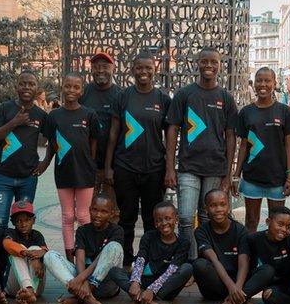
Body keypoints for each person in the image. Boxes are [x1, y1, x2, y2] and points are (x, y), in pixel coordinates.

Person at [165, 47, 238, 257]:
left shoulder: (226, 97)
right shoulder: (184, 94)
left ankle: (206, 262)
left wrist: (229, 172)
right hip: (188, 167)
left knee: (208, 218)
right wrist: (170, 167)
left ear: (220, 65)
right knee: (186, 218)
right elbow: (172, 130)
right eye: (204, 61)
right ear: (197, 64)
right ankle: (190, 262)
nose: (209, 66)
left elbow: (231, 135)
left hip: (215, 168)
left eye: (213, 62)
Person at [104, 53, 171, 264]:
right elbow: (113, 134)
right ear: (132, 70)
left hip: (154, 169)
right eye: (139, 68)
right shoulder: (123, 97)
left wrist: (169, 169)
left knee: (153, 220)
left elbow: (170, 137)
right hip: (125, 167)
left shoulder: (163, 99)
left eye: (148, 68)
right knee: (127, 218)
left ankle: (150, 260)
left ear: (155, 69)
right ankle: (125, 261)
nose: (144, 72)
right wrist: (108, 166)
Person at [193, 189, 274, 304]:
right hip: (215, 285)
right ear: (206, 209)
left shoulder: (240, 230)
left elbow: (244, 263)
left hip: (238, 281)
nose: (219, 209)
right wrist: (232, 288)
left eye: (222, 204)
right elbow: (214, 261)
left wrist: (237, 288)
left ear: (229, 207)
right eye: (213, 205)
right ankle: (243, 302)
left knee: (268, 270)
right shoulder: (201, 231)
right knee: (199, 265)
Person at [41, 72, 99, 255]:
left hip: (85, 173)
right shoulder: (54, 116)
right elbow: (52, 143)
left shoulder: (89, 114)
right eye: (67, 86)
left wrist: (90, 163)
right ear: (62, 88)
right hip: (63, 172)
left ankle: (87, 254)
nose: (71, 90)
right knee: (67, 216)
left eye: (76, 87)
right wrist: (45, 162)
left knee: (83, 216)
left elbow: (94, 142)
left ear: (82, 91)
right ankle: (69, 258)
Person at [232, 67, 290, 231]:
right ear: (254, 84)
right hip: (252, 178)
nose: (263, 84)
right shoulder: (246, 112)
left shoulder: (284, 111)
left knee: (277, 224)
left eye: (267, 80)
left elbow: (289, 146)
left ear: (275, 83)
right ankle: (250, 256)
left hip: (277, 179)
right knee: (251, 221)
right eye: (259, 80)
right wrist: (236, 175)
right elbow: (244, 146)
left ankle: (272, 256)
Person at [109, 201, 192, 304]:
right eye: (159, 220)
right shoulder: (148, 237)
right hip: (144, 282)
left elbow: (171, 271)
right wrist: (136, 282)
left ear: (176, 219)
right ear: (155, 223)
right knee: (115, 271)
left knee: (187, 268)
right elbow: (140, 260)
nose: (164, 223)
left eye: (168, 218)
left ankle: (139, 303)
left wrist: (151, 290)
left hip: (166, 289)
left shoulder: (183, 243)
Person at [42, 194, 123, 304]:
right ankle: (88, 299)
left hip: (106, 284)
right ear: (89, 210)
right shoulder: (82, 230)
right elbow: (79, 259)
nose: (98, 214)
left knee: (113, 247)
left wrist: (81, 280)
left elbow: (101, 259)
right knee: (49, 256)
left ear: (111, 214)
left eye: (104, 211)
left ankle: (80, 299)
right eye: (95, 209)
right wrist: (82, 281)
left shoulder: (117, 230)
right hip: (81, 283)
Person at [0, 70, 48, 229]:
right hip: (2, 177)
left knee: (23, 225)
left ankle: (18, 253)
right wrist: (14, 122)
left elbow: (54, 141)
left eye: (31, 84)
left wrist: (45, 163)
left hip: (28, 178)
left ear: (37, 88)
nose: (27, 87)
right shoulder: (4, 109)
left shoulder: (41, 115)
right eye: (23, 83)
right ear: (17, 86)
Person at [81, 52, 121, 190]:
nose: (100, 70)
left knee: (111, 208)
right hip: (87, 163)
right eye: (96, 67)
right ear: (91, 69)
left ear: (113, 68)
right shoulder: (83, 92)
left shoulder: (120, 95)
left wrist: (110, 166)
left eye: (105, 66)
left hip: (113, 166)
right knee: (87, 209)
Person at [2, 201, 47, 304]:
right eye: (18, 221)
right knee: (16, 252)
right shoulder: (10, 233)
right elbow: (6, 243)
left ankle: (27, 294)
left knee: (35, 248)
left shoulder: (37, 235)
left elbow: (44, 250)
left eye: (27, 220)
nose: (23, 224)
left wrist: (36, 259)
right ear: (13, 222)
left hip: (37, 286)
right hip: (13, 288)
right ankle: (28, 291)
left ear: (33, 220)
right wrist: (25, 253)